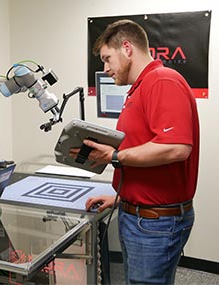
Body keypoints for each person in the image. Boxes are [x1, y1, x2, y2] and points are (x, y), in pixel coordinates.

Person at [71, 20, 199, 284]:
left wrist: (113, 156)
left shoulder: (162, 81)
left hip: (155, 224)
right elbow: (144, 147)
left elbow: (176, 148)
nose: (105, 69)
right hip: (139, 215)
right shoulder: (140, 87)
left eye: (107, 58)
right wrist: (121, 198)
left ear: (127, 48)